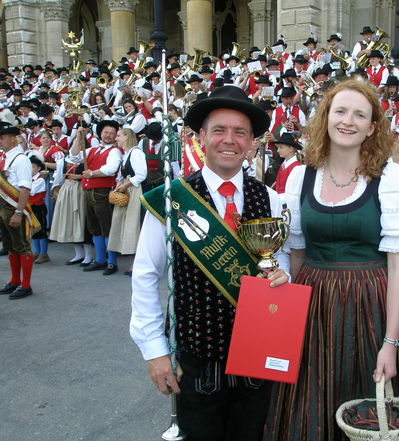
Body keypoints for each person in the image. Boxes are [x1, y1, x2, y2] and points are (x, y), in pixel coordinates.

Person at [264, 80, 399, 441]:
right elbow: (296, 252)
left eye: (359, 114)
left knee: (370, 408)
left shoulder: (389, 176)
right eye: (340, 111)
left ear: (371, 127)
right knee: (309, 405)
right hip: (313, 306)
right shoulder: (301, 177)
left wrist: (391, 342)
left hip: (370, 306)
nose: (348, 121)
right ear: (326, 118)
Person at [130, 86, 290, 441]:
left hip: (257, 360)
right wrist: (155, 352)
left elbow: (284, 262)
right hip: (197, 360)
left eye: (240, 132)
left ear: (251, 141)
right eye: (219, 130)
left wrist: (283, 275)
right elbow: (144, 276)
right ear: (201, 136)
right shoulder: (172, 200)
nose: (229, 140)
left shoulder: (272, 199)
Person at [69, 120, 122, 276]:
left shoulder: (114, 151)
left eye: (112, 133)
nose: (108, 135)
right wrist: (79, 137)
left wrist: (92, 173)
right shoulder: (92, 149)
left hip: (102, 191)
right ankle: (100, 259)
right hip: (88, 191)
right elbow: (73, 156)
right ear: (100, 133)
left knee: (106, 227)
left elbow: (111, 169)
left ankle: (112, 262)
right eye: (106, 132)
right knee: (94, 227)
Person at [0, 120, 36, 299]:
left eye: (1, 138)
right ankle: (14, 281)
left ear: (12, 139)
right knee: (10, 246)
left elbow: (25, 189)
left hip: (15, 207)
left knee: (22, 246)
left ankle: (25, 284)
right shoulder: (3, 158)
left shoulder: (21, 159)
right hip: (2, 207)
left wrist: (18, 212)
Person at [107, 128, 146, 264]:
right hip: (128, 189)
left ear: (126, 137)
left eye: (118, 136)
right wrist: (120, 184)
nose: (116, 138)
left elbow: (141, 174)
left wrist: (126, 185)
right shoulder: (128, 154)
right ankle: (132, 260)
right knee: (124, 223)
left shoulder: (136, 153)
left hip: (134, 191)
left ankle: (136, 263)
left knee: (133, 224)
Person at [29, 155, 50, 263]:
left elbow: (31, 191)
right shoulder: (29, 179)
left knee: (41, 230)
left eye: (32, 167)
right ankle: (36, 252)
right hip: (30, 207)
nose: (30, 169)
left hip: (38, 207)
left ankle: (44, 253)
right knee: (33, 230)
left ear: (38, 168)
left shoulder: (40, 180)